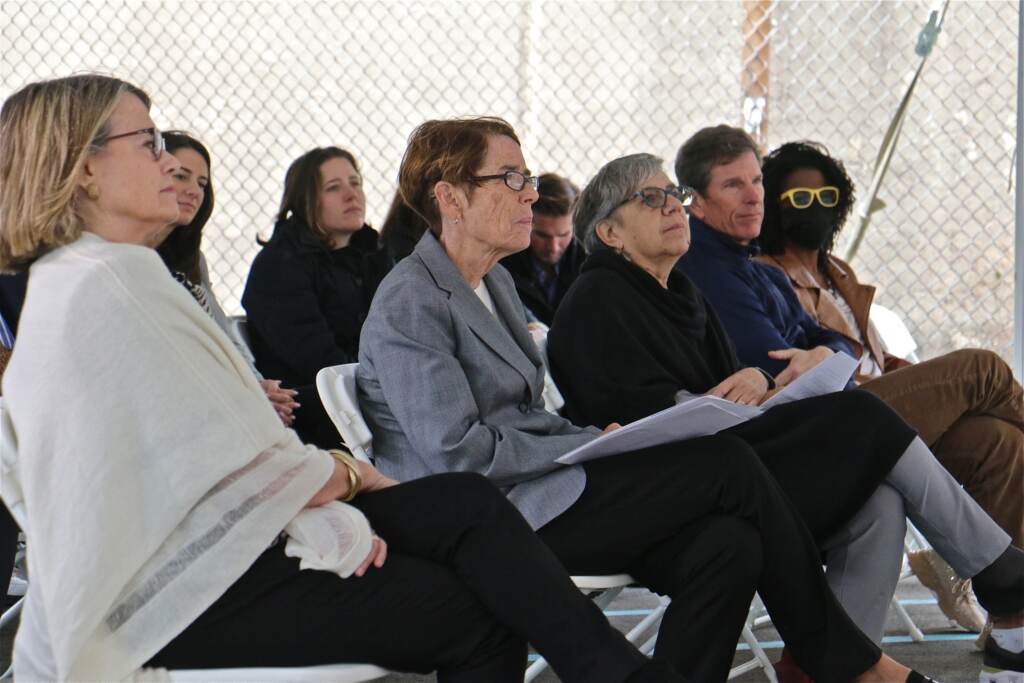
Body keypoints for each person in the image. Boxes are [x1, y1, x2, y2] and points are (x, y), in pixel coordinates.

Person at [0, 74, 695, 683]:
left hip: (223, 538)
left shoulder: (98, 276)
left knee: (464, 505)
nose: (171, 165)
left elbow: (207, 448)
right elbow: (224, 457)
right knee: (475, 607)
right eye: (148, 143)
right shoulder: (107, 287)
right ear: (84, 169)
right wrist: (351, 479)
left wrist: (341, 482)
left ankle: (620, 674)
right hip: (181, 587)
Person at [356, 116, 941, 683]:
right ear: (450, 198)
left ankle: (833, 654)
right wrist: (585, 447)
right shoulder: (414, 298)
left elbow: (523, 418)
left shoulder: (494, 283)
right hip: (494, 519)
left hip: (543, 489)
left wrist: (597, 441)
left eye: (528, 176)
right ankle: (843, 658)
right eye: (511, 178)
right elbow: (457, 453)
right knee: (726, 464)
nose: (531, 193)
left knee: (729, 544)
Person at [546, 152, 1024, 679]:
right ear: (610, 232)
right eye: (651, 198)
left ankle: (830, 669)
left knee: (879, 499)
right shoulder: (597, 298)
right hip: (676, 487)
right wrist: (731, 397)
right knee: (864, 414)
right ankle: (1001, 574)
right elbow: (638, 417)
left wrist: (762, 380)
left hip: (732, 461)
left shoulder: (682, 293)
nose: (673, 208)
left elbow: (739, 384)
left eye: (674, 196)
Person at [241, 146, 390, 447]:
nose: (352, 195)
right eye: (334, 188)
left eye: (355, 182)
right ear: (306, 200)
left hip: (366, 393)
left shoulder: (371, 254)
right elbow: (319, 363)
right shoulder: (280, 265)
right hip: (317, 412)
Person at [157, 130, 299, 427]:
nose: (194, 191)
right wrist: (248, 395)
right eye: (181, 176)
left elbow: (224, 335)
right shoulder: (137, 257)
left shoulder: (193, 260)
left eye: (202, 183)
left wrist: (260, 387)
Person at [500, 172, 585, 324]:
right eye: (542, 235)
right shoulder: (502, 261)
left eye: (564, 235)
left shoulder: (589, 260)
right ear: (524, 221)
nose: (553, 247)